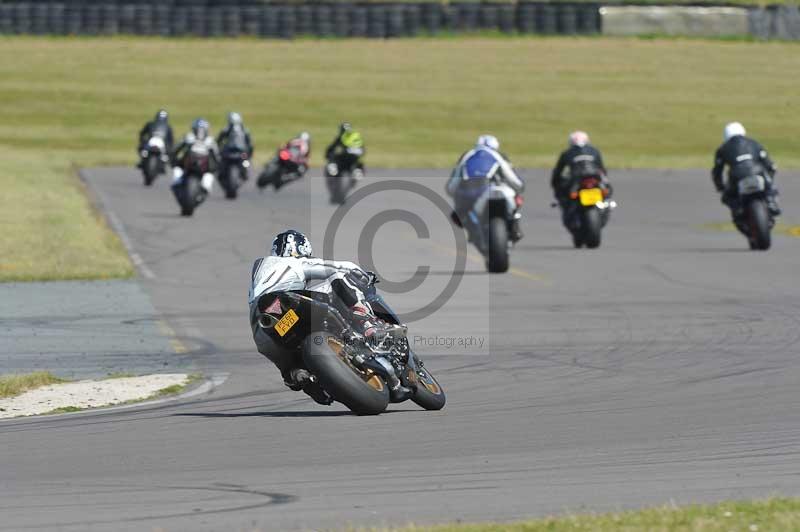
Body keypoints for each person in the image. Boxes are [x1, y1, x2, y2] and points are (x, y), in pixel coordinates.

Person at [248, 230, 410, 404]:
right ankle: (366, 322)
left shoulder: (260, 269)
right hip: (285, 302)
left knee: (290, 367)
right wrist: (363, 275)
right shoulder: (294, 262)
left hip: (262, 328)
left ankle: (301, 378)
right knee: (338, 276)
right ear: (302, 248)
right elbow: (339, 267)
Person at [446, 135, 525, 241]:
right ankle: (515, 229)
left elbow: (453, 185)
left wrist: (454, 195)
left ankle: (473, 232)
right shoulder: (498, 155)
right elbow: (512, 178)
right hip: (490, 192)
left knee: (457, 215)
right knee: (515, 199)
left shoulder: (466, 155)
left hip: (468, 195)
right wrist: (520, 188)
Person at [712, 122, 780, 217]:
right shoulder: (754, 143)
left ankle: (737, 209)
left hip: (736, 175)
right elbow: (769, 165)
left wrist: (720, 187)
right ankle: (771, 202)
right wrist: (770, 177)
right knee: (770, 187)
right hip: (757, 171)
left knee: (726, 197)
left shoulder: (722, 148)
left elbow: (717, 172)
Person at [551, 131, 611, 208]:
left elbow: (558, 170)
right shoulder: (594, 150)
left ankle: (605, 199)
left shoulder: (567, 152)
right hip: (593, 176)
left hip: (578, 177)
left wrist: (555, 183)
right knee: (605, 184)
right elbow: (602, 168)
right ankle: (606, 199)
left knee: (605, 187)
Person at [171, 118, 220, 194]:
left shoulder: (188, 137)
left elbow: (176, 149)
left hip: (199, 165)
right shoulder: (210, 140)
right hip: (194, 164)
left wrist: (173, 158)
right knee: (210, 172)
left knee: (177, 167)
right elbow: (217, 155)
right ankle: (206, 187)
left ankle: (177, 182)